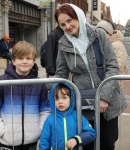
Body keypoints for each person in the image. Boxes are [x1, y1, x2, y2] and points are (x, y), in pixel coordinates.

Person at [53, 3, 127, 150]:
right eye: (62, 24)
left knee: (107, 143)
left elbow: (112, 65)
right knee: (86, 142)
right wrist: (49, 90)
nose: (67, 26)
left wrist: (104, 97)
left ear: (78, 16)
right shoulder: (63, 44)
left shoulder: (98, 34)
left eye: (69, 20)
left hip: (109, 100)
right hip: (83, 102)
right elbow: (61, 74)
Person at [0, 41, 51, 150]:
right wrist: (1, 131)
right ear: (14, 61)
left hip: (31, 141)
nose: (24, 62)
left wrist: (39, 129)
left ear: (34, 61)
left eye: (28, 58)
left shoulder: (38, 84)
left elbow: (45, 109)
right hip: (8, 141)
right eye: (20, 58)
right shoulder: (1, 82)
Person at [39, 83, 96, 150]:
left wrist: (76, 139)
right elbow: (44, 141)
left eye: (64, 98)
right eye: (56, 98)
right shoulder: (50, 119)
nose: (60, 102)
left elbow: (91, 132)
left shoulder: (77, 116)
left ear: (70, 100)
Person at [97, 19, 128, 90]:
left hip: (113, 86)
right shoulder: (100, 44)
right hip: (103, 84)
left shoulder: (117, 45)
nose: (99, 35)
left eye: (102, 32)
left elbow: (118, 66)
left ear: (109, 32)